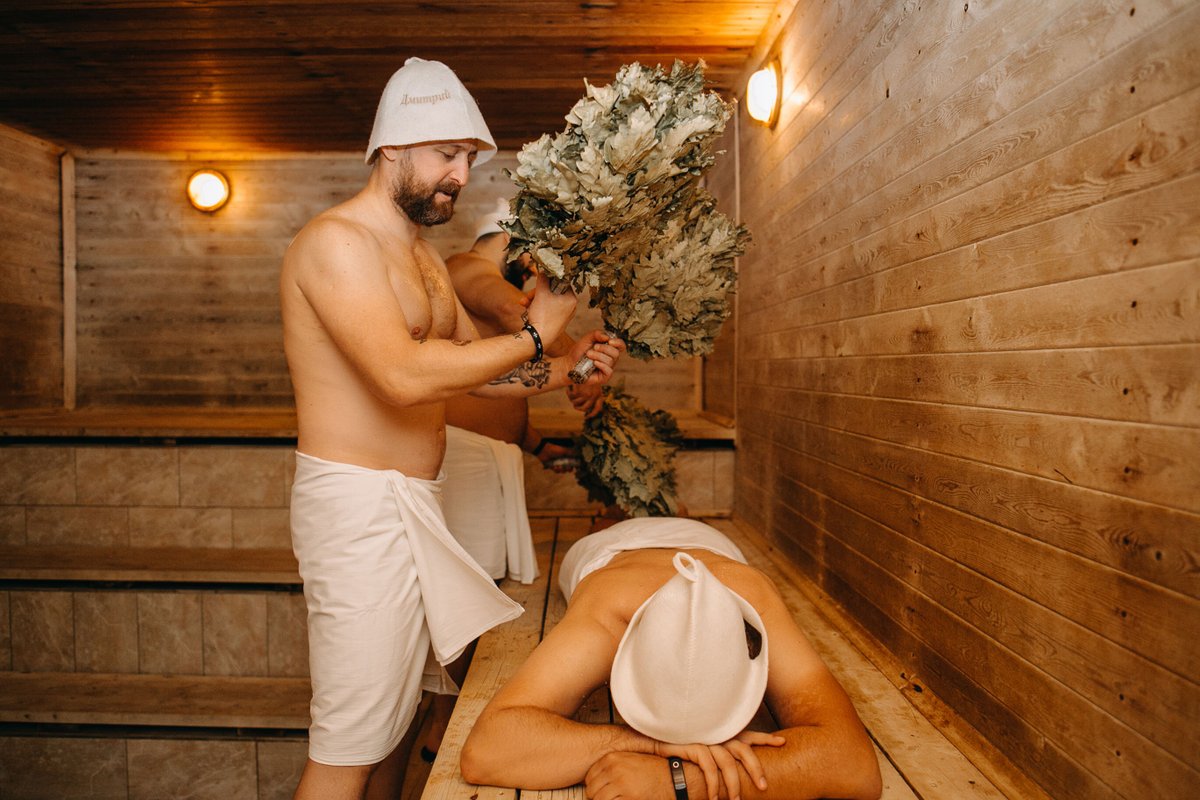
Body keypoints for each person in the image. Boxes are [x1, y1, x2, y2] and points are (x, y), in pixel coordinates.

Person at [279, 57, 624, 800]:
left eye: (468, 158)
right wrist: (535, 335)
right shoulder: (337, 244)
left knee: (393, 725)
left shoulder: (422, 258)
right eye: (446, 154)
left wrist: (568, 366)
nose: (461, 175)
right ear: (391, 148)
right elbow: (401, 377)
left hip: (417, 501)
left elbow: (476, 373)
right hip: (358, 509)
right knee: (347, 744)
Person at [460, 517, 883, 800]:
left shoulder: (752, 599)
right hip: (608, 549)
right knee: (612, 519)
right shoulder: (605, 615)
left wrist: (681, 780)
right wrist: (654, 745)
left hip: (706, 540)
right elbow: (487, 749)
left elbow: (853, 762)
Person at [413, 206, 606, 761]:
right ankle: (443, 727)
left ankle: (452, 721)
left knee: (481, 597)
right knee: (466, 599)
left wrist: (543, 436)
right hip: (465, 459)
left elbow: (504, 381)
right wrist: (571, 358)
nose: (535, 274)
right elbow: (512, 311)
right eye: (533, 262)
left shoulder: (491, 290)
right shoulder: (465, 268)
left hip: (488, 457)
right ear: (513, 247)